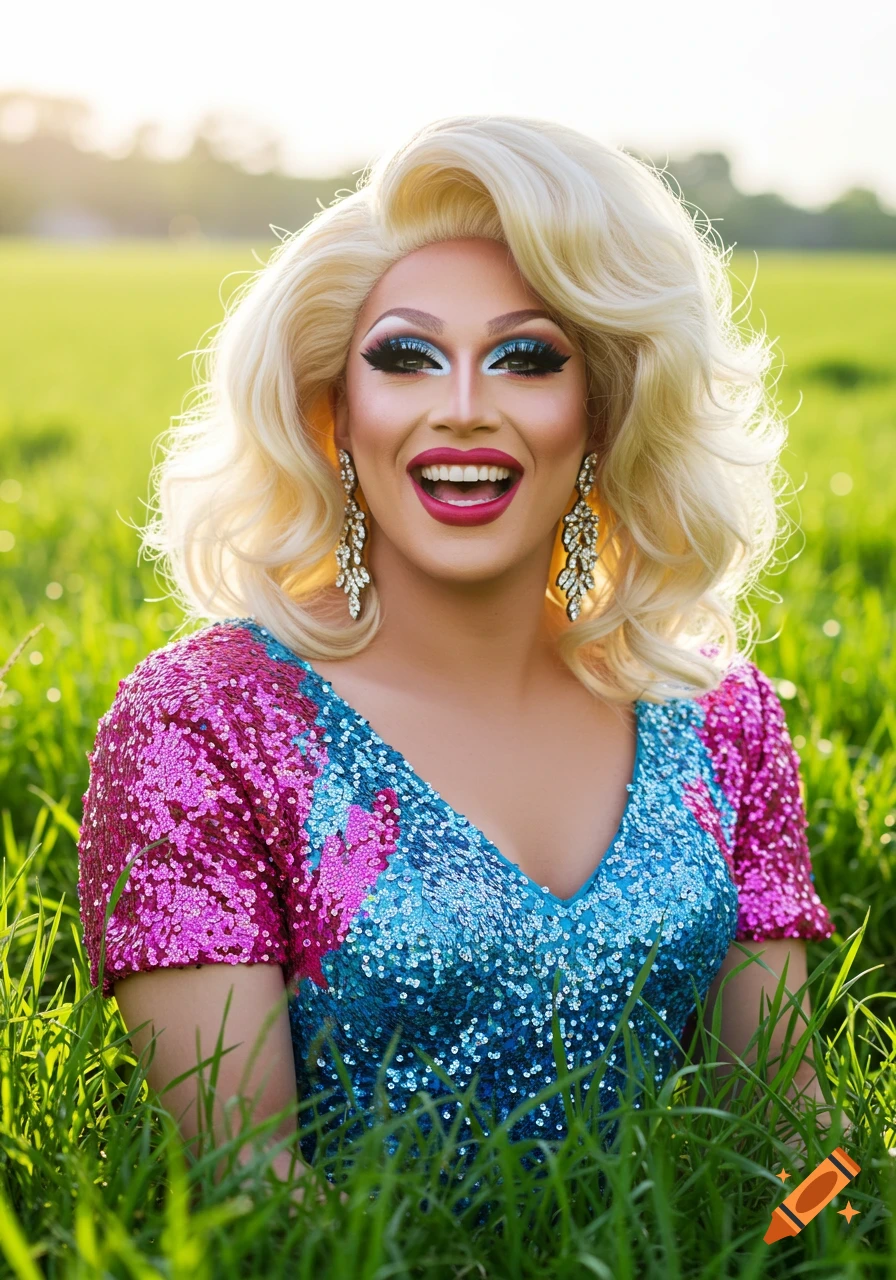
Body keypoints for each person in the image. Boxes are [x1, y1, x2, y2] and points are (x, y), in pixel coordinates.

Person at [77, 114, 835, 1197]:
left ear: (607, 409)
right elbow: (245, 1182)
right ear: (334, 409)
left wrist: (797, 1252)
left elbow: (793, 1140)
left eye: (527, 358)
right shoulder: (201, 722)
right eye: (405, 356)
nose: (464, 409)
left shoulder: (721, 713)